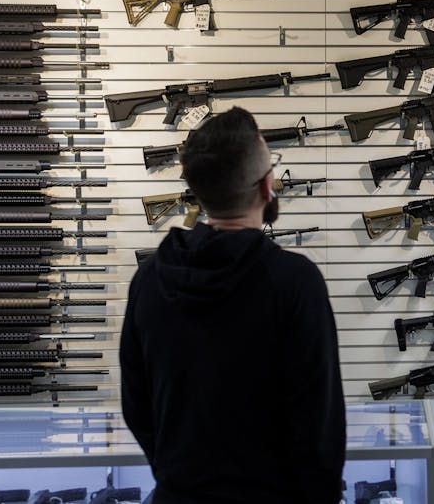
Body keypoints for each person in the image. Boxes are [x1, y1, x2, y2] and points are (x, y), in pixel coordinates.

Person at [120, 107, 345, 503]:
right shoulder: (295, 281)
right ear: (266, 186)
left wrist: (180, 477)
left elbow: (137, 406)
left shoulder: (150, 279)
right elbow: (318, 425)